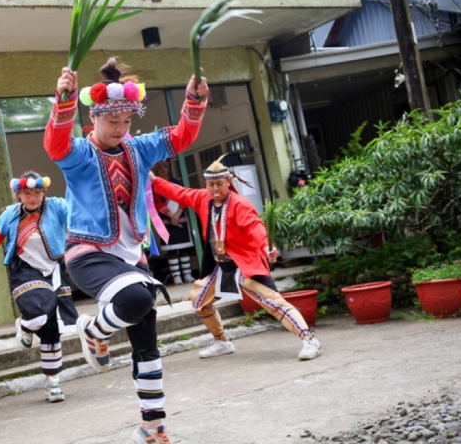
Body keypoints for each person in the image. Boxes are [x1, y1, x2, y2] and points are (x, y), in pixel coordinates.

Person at [45, 57, 209, 444]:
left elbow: (181, 137)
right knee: (138, 298)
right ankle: (92, 331)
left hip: (131, 258)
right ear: (95, 118)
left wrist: (194, 100)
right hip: (87, 253)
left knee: (147, 343)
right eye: (112, 122)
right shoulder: (81, 156)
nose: (120, 129)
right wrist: (63, 100)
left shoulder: (139, 149)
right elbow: (55, 144)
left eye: (126, 122)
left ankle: (152, 427)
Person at [149, 155, 322, 361]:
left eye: (219, 184)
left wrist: (269, 247)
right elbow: (177, 192)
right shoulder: (202, 198)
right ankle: (222, 341)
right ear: (206, 184)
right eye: (211, 184)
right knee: (199, 299)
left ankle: (309, 339)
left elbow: (255, 226)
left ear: (228, 182)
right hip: (221, 265)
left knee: (273, 302)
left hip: (244, 263)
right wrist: (149, 177)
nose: (215, 189)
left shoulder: (240, 204)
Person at [0, 171, 80, 403]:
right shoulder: (11, 214)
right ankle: (25, 324)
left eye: (37, 192)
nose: (33, 197)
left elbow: (78, 209)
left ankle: (52, 382)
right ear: (19, 194)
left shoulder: (57, 207)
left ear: (44, 192)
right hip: (24, 270)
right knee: (38, 310)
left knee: (52, 329)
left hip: (53, 269)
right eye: (27, 193)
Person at [151, 159, 196, 285]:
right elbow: (157, 202)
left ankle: (187, 274)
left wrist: (177, 214)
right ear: (156, 170)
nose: (163, 169)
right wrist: (171, 215)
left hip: (180, 217)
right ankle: (176, 276)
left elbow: (183, 198)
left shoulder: (176, 182)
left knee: (184, 249)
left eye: (165, 166)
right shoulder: (155, 185)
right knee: (172, 250)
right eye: (160, 167)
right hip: (166, 220)